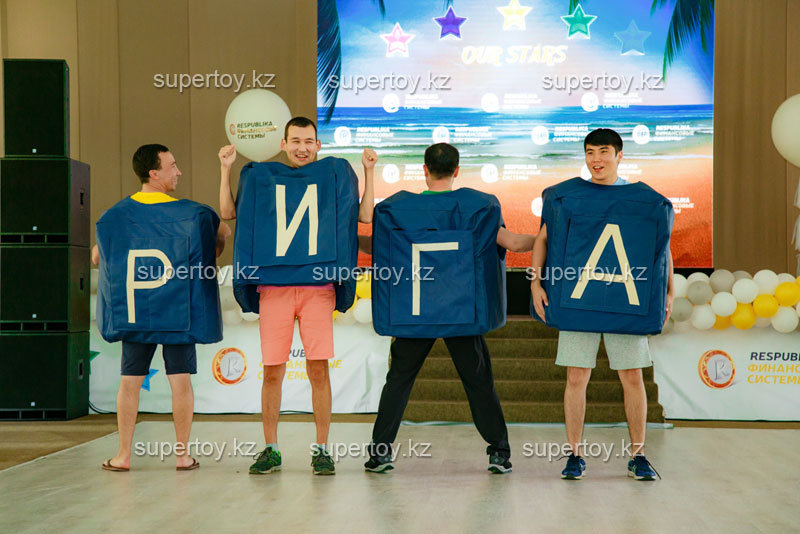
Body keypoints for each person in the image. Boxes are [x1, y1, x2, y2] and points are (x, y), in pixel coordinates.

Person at [218, 117, 376, 475]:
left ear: (318, 145)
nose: (302, 147)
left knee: (318, 370)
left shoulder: (333, 176)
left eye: (308, 141)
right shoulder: (262, 177)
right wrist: (226, 169)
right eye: (295, 141)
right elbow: (228, 213)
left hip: (317, 290)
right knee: (273, 371)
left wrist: (369, 172)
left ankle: (322, 449)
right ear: (283, 144)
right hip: (274, 290)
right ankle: (271, 448)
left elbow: (365, 216)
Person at [364, 142, 535, 474]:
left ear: (424, 170)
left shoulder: (398, 210)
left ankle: (379, 453)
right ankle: (499, 452)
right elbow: (514, 243)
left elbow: (375, 247)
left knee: (398, 382)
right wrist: (550, 237)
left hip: (414, 315)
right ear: (457, 171)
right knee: (479, 383)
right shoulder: (478, 208)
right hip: (461, 312)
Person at [530, 128, 674, 481]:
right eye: (590, 152)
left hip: (626, 302)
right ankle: (574, 455)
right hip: (579, 303)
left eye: (604, 151)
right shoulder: (567, 198)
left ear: (619, 155)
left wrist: (668, 291)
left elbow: (660, 248)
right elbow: (543, 238)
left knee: (632, 377)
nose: (596, 159)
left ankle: (639, 455)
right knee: (576, 376)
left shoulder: (644, 201)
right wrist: (535, 282)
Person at [94, 144, 231, 472]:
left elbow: (98, 258)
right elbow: (222, 233)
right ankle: (183, 455)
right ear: (154, 173)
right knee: (180, 380)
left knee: (130, 381)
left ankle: (123, 456)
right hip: (178, 312)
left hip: (136, 313)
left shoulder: (115, 216)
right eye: (172, 166)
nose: (178, 172)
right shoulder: (193, 213)